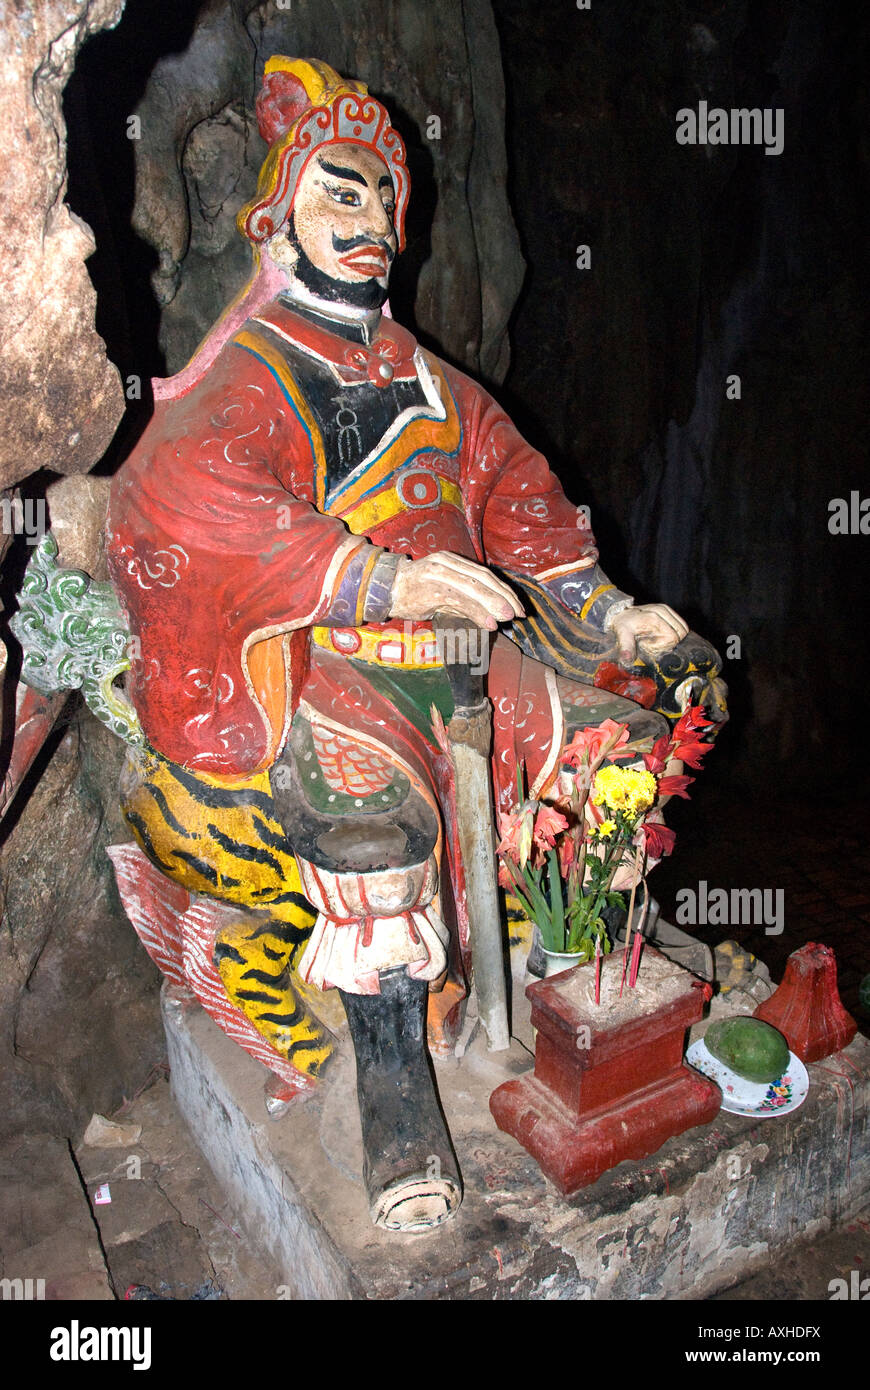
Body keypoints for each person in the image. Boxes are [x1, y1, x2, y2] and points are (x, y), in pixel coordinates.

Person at [106, 57, 724, 1231]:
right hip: (332, 669)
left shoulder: (441, 387)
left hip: (465, 667)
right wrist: (379, 575)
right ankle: (392, 1090)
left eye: (387, 199)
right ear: (277, 215)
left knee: (614, 749)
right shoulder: (253, 372)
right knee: (373, 833)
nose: (376, 222)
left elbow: (528, 512)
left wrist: (609, 610)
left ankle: (568, 966)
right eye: (343, 192)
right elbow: (177, 503)